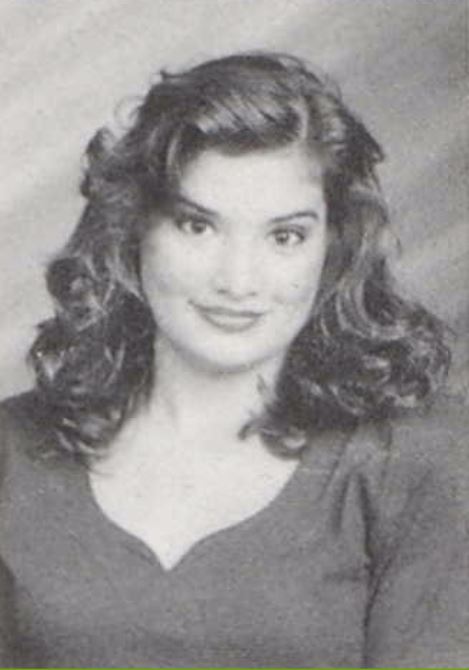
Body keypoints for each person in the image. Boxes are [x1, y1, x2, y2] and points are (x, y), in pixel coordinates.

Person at [0, 52, 467, 668]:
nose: (238, 280)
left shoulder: (415, 459)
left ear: (332, 248)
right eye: (197, 226)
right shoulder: (13, 450)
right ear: (133, 228)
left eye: (285, 236)